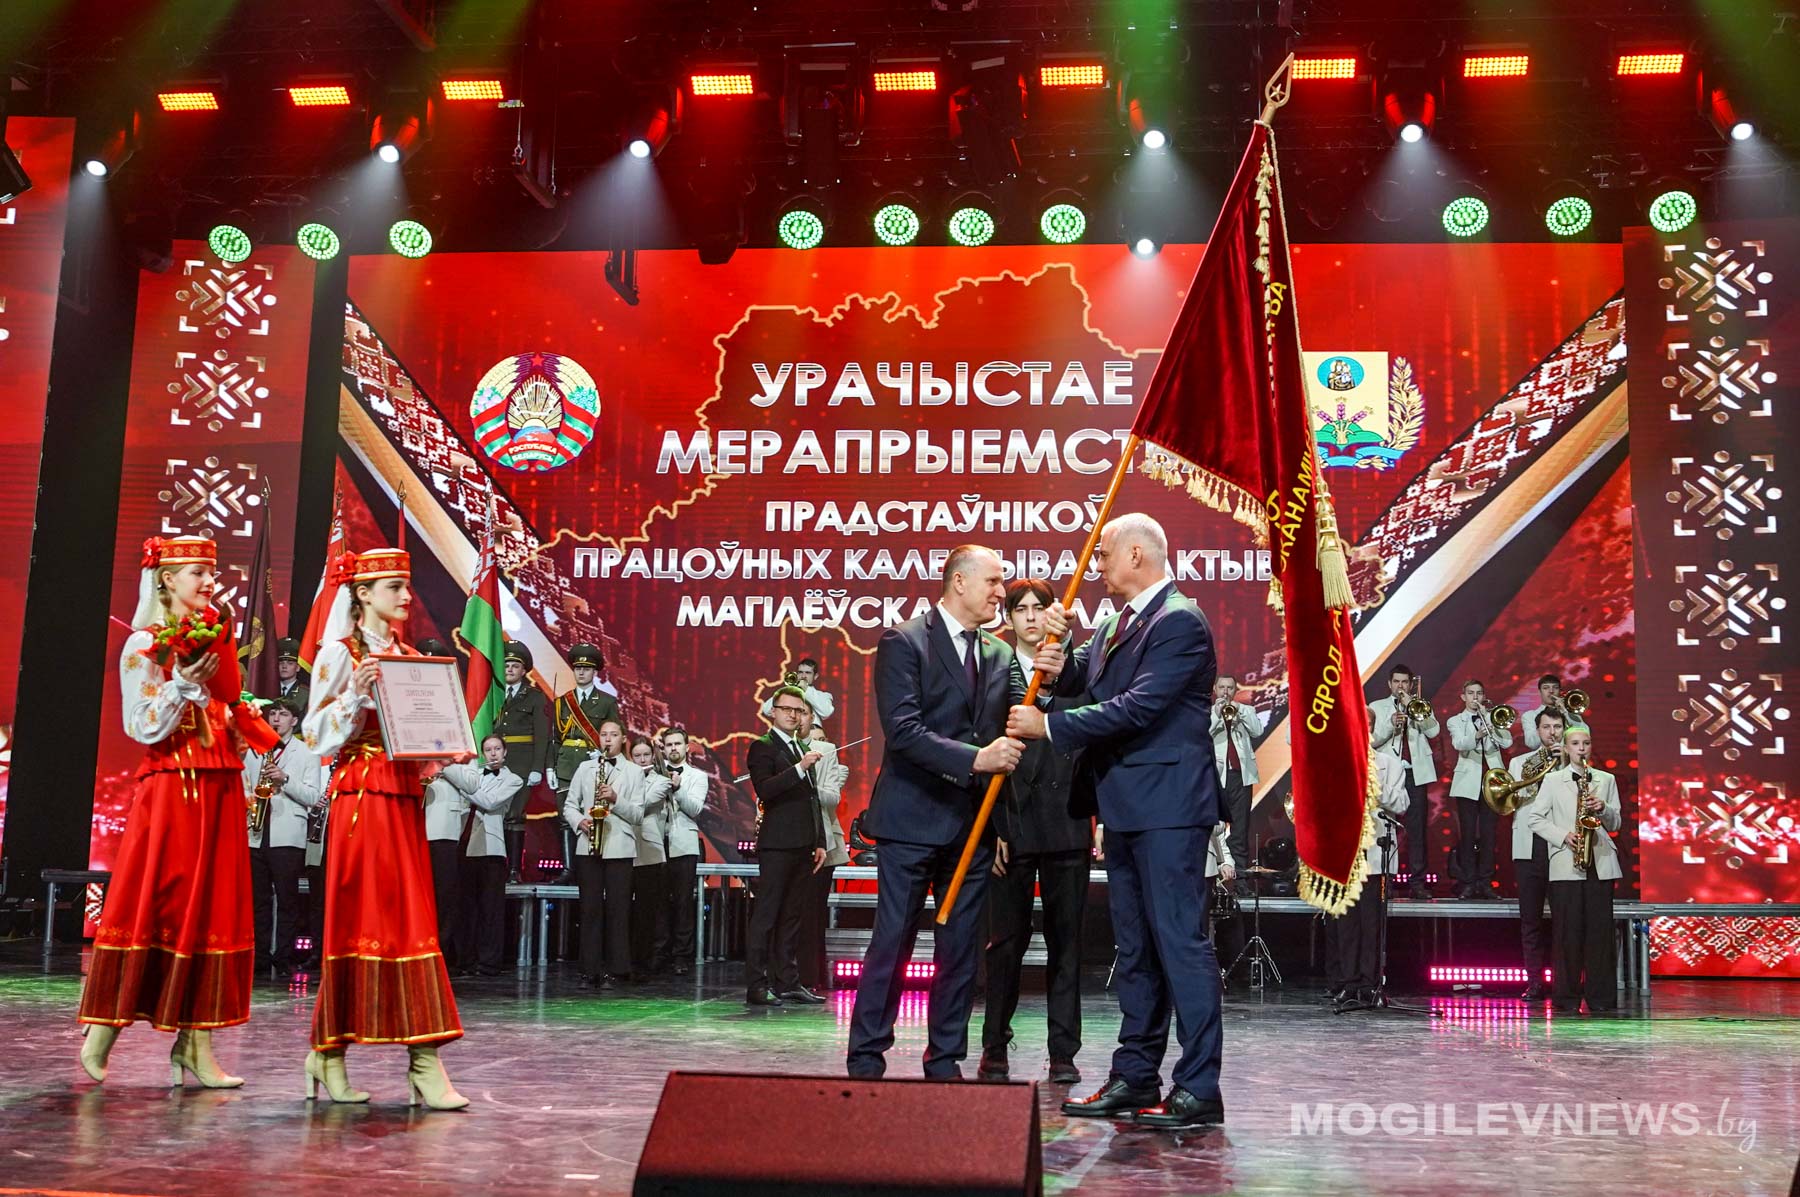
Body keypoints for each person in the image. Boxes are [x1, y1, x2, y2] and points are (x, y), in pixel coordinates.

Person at [1007, 514, 1224, 1129]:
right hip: (1124, 807)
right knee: (1135, 948)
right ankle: (1135, 1075)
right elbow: (1085, 680)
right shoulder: (1114, 624)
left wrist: (1048, 725)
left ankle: (1198, 1087)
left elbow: (1138, 706)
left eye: (1102, 553)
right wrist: (1059, 659)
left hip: (1170, 808)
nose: (1096, 564)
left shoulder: (1180, 621)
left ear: (1135, 554)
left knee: (1178, 943)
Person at [846, 546, 1058, 1077]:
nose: (1001, 593)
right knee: (893, 941)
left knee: (961, 950)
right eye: (993, 581)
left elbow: (1026, 712)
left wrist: (1051, 678)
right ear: (959, 582)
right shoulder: (903, 641)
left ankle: (945, 1060)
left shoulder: (1000, 652)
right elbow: (904, 732)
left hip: (972, 828)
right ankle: (866, 1056)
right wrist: (976, 760)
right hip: (911, 822)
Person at [77, 535, 263, 1088]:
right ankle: (103, 1028)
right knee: (154, 900)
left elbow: (223, 705)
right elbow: (141, 725)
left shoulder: (215, 636)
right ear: (165, 580)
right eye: (196, 572)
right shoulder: (145, 643)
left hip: (219, 783)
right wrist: (183, 684)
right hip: (172, 786)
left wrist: (235, 715)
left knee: (212, 910)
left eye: (211, 571)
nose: (208, 581)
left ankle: (196, 1044)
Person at [304, 547, 467, 1109]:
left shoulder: (408, 657)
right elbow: (315, 736)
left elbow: (415, 734)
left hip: (401, 795)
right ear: (363, 593)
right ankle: (332, 1053)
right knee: (362, 920)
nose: (405, 596)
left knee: (411, 921)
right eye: (394, 586)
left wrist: (443, 747)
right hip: (362, 796)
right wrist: (355, 695)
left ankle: (421, 1058)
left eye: (406, 585)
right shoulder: (341, 653)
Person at [979, 576, 1092, 1087]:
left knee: (1067, 945)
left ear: (1053, 615)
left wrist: (1098, 816)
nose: (1029, 616)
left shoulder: (1077, 674)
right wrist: (994, 828)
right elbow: (983, 751)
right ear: (1008, 618)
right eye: (1019, 608)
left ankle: (1063, 1052)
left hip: (1068, 823)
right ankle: (995, 1046)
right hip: (1012, 826)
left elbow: (1094, 744)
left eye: (1038, 607)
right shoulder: (992, 674)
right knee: (1005, 944)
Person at [1526, 727, 1621, 1015]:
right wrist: (1563, 836)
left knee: (1600, 934)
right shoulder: (1553, 780)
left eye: (1586, 743)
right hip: (1567, 862)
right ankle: (1566, 997)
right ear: (1566, 748)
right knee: (1567, 933)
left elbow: (1616, 823)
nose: (1582, 748)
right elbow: (1535, 818)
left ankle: (1600, 997)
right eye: (1576, 744)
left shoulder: (1606, 779)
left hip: (1600, 862)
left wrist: (1603, 808)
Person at [563, 720, 664, 989]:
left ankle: (618, 969)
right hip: (588, 845)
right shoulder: (585, 768)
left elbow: (638, 814)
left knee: (619, 909)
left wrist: (615, 799)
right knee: (590, 909)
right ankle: (589, 969)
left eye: (613, 735)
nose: (607, 739)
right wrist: (579, 822)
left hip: (619, 845)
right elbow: (569, 805)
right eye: (604, 735)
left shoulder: (634, 771)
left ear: (623, 739)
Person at [746, 687, 829, 1006]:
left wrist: (819, 841)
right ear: (773, 711)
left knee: (793, 916)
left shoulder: (801, 748)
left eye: (799, 710)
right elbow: (765, 790)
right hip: (777, 844)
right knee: (767, 914)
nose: (793, 715)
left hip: (803, 844)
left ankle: (788, 981)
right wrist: (800, 768)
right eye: (787, 709)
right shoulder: (763, 747)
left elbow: (813, 799)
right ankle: (757, 984)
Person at [244, 696, 323, 980]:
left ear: (295, 721)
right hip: (256, 832)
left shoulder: (307, 752)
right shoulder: (253, 749)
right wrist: (249, 799)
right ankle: (260, 958)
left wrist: (285, 780)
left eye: (283, 714)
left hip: (288, 835)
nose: (276, 719)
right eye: (273, 714)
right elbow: (243, 784)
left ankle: (284, 957)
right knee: (258, 901)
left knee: (288, 901)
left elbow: (314, 797)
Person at [1327, 745, 1410, 1012]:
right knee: (1347, 926)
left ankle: (1369, 984)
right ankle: (1349, 983)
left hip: (1376, 856)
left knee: (1372, 924)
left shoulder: (1390, 764)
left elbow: (1402, 803)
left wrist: (1374, 784)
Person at [436, 734, 522, 976]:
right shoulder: (473, 774)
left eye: (497, 749)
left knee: (490, 908)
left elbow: (489, 801)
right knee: (464, 907)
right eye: (488, 750)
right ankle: (465, 959)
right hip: (463, 843)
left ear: (505, 752)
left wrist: (462, 785)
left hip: (490, 848)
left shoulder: (513, 779)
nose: (493, 754)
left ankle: (489, 962)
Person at [1368, 664, 1440, 899]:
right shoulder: (1377, 707)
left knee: (1417, 830)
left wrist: (1413, 707)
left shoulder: (1419, 705)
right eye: (1397, 681)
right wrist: (1390, 725)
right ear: (1389, 684)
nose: (1401, 686)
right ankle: (1385, 881)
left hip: (1415, 773)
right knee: (1386, 828)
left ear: (1410, 684)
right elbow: (1370, 740)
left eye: (1405, 682)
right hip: (1388, 774)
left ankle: (1417, 883)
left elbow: (1433, 732)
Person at [552, 644, 620, 882]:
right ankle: (569, 870)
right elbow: (555, 738)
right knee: (566, 816)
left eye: (586, 668)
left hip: (594, 764)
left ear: (595, 672)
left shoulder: (607, 702)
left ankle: (591, 869)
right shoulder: (562, 702)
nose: (581, 672)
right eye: (578, 668)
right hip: (566, 764)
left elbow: (616, 734)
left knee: (594, 814)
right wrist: (551, 766)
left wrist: (604, 756)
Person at [1509, 710, 1564, 1001]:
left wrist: (1564, 764)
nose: (1552, 732)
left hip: (1561, 846)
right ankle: (1534, 982)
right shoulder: (1519, 763)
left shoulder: (1573, 762)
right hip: (1529, 845)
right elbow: (1510, 801)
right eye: (1546, 727)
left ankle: (1564, 982)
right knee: (1530, 919)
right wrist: (1532, 779)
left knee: (1563, 920)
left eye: (1557, 727)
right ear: (1537, 730)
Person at [796, 705, 850, 994]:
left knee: (812, 913)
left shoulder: (827, 753)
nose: (797, 717)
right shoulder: (778, 747)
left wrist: (803, 781)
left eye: (803, 713)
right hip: (788, 838)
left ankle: (810, 975)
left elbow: (831, 798)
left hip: (821, 841)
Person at [1446, 680, 1512, 899]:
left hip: (1492, 783)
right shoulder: (1455, 720)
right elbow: (1459, 744)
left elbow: (1507, 742)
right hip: (1467, 784)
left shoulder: (1493, 717)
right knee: (1467, 835)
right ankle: (1468, 882)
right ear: (1463, 697)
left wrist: (1491, 722)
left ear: (1484, 696)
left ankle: (1486, 882)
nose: (1475, 697)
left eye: (1479, 693)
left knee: (1489, 835)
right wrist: (1477, 735)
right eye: (1471, 693)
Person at [496, 641, 550, 883]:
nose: (509, 669)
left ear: (524, 670)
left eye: (515, 665)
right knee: (495, 815)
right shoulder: (494, 694)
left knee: (515, 814)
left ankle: (514, 869)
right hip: (496, 761)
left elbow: (542, 735)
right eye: (506, 664)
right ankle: (497, 867)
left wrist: (537, 768)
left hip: (522, 762)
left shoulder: (534, 697)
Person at [660, 726, 708, 976]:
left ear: (687, 747)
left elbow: (695, 809)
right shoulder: (653, 774)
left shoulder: (698, 776)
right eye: (669, 744)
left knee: (682, 902)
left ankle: (681, 955)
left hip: (684, 844)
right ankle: (658, 952)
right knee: (657, 901)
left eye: (677, 744)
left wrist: (677, 789)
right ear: (663, 749)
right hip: (656, 842)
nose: (673, 748)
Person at [1208, 673, 1264, 885]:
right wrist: (1217, 714)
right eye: (1222, 687)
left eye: (1230, 688)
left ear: (1235, 690)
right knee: (1215, 828)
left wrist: (1238, 710)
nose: (1226, 692)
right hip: (1216, 777)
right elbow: (1204, 733)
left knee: (1240, 830)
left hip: (1240, 777)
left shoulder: (1246, 710)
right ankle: (1216, 879)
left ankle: (1240, 882)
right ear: (1215, 690)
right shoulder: (1208, 712)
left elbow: (1257, 731)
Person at [629, 734, 673, 975]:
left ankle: (645, 962)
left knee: (647, 910)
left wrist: (617, 797)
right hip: (624, 848)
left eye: (646, 754)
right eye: (637, 756)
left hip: (649, 850)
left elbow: (641, 805)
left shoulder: (662, 782)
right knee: (623, 908)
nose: (642, 759)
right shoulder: (622, 778)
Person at [760, 656, 835, 725]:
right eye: (800, 672)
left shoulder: (824, 696)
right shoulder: (787, 693)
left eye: (808, 673)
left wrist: (806, 689)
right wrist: (787, 690)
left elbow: (826, 712)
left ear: (815, 676)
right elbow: (767, 710)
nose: (803, 676)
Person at [1521, 674, 1588, 750]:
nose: (1551, 691)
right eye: (1546, 688)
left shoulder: (1569, 713)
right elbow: (1531, 744)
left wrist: (1565, 711)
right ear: (1539, 692)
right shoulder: (1529, 716)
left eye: (1555, 688)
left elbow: (1585, 734)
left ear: (1560, 691)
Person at [274, 636, 309, 710]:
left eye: (290, 663)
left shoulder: (305, 694)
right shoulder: (268, 689)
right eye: (281, 663)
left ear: (298, 667)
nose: (284, 666)